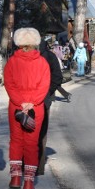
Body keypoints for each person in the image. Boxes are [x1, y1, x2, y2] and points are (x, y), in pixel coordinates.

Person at [4, 28, 51, 189]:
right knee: (32, 144)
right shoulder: (42, 62)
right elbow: (44, 86)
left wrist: (20, 102)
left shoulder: (12, 62)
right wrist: (32, 102)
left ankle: (16, 177)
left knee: (16, 141)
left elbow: (9, 84)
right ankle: (29, 182)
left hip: (16, 107)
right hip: (36, 108)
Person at [37, 39, 64, 175]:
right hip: (45, 99)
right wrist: (48, 92)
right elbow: (58, 77)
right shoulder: (51, 56)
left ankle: (27, 163)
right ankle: (40, 166)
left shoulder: (27, 55)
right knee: (42, 133)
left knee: (27, 131)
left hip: (27, 99)